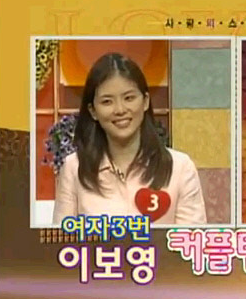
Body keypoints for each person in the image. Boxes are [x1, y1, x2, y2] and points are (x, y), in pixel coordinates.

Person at [52, 53, 207, 226]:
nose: (120, 110)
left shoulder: (180, 168)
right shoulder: (74, 168)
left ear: (145, 101)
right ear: (93, 111)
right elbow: (61, 240)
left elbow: (190, 240)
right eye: (107, 102)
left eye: (129, 98)